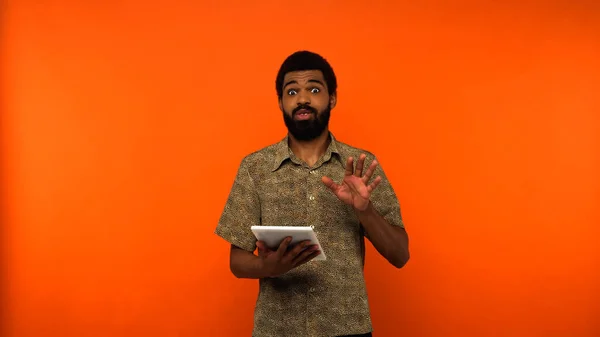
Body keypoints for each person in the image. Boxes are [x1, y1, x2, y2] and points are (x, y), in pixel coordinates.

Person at [214, 50, 410, 337]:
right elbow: (237, 262)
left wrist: (364, 210)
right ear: (281, 102)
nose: (302, 99)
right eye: (292, 91)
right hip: (277, 330)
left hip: (347, 329)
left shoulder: (360, 165)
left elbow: (400, 254)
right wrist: (267, 266)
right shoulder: (255, 168)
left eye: (314, 89)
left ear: (332, 98)